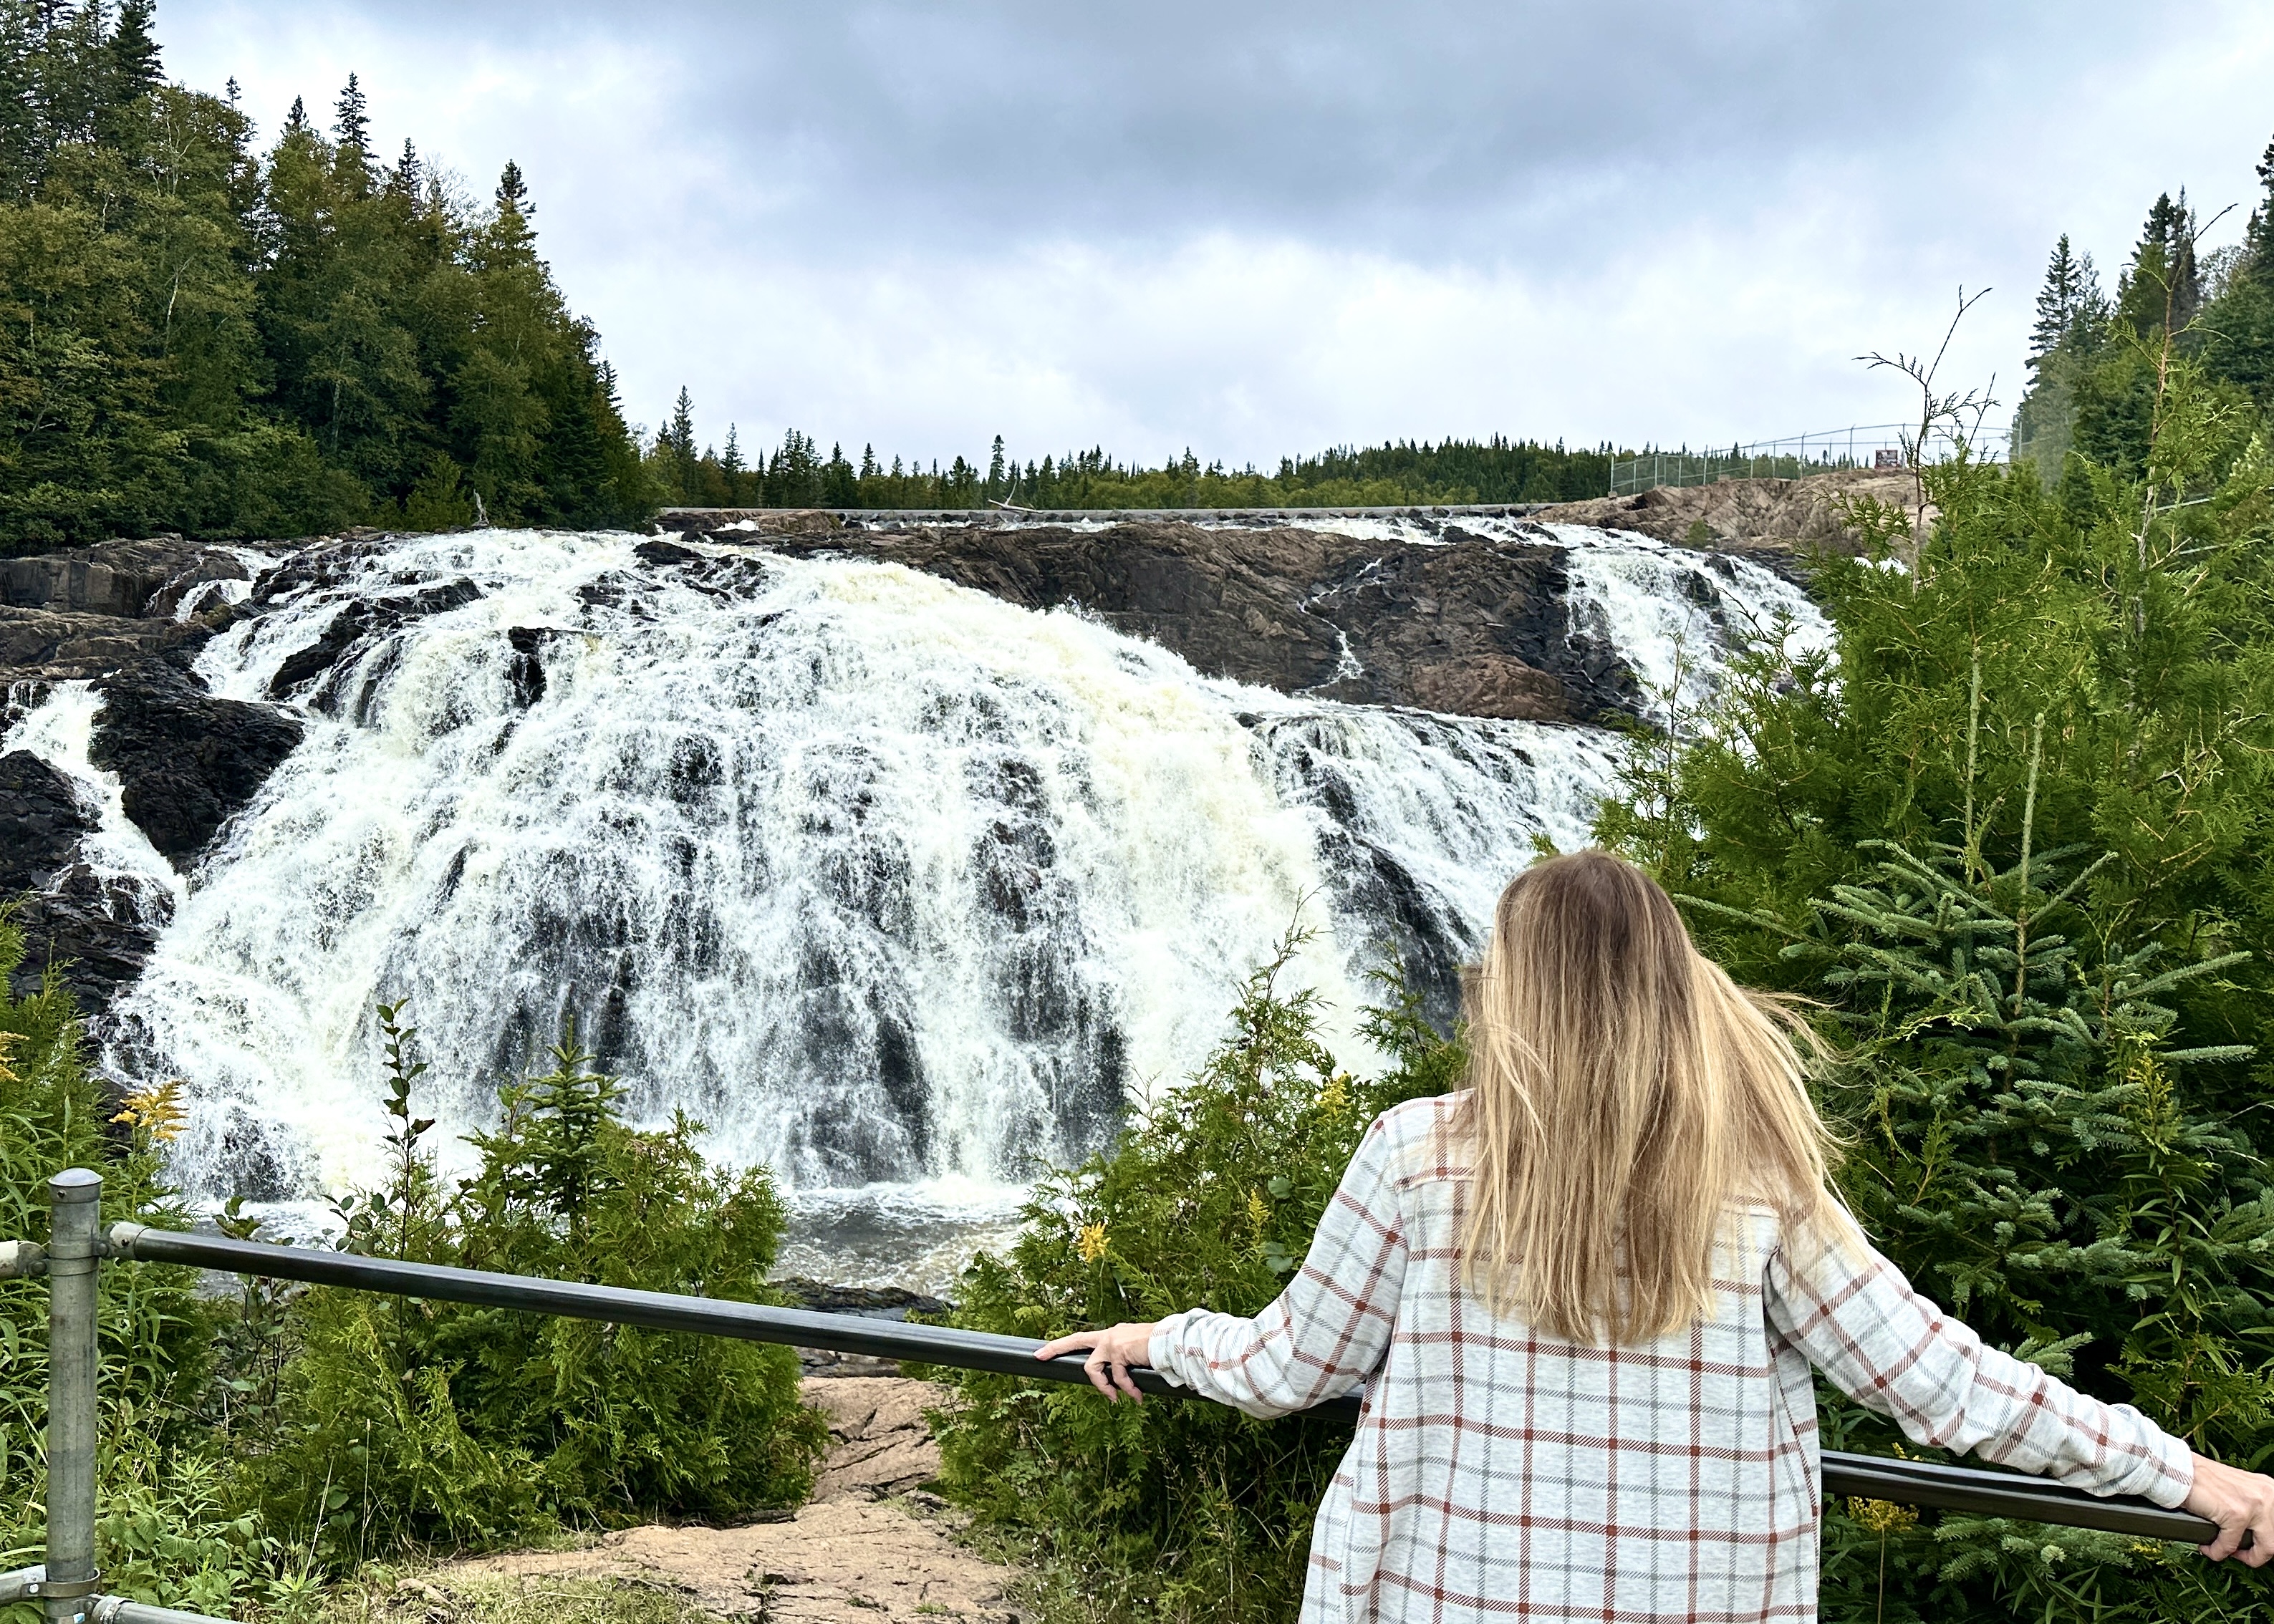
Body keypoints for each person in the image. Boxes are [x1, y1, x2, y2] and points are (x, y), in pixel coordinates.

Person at [1037, 850, 2274, 1624]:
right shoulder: (1759, 1182)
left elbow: (1291, 1368)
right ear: (1677, 987)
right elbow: (1946, 1385)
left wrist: (1167, 1340)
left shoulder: (1418, 1153)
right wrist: (2184, 1475)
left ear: (1514, 993)